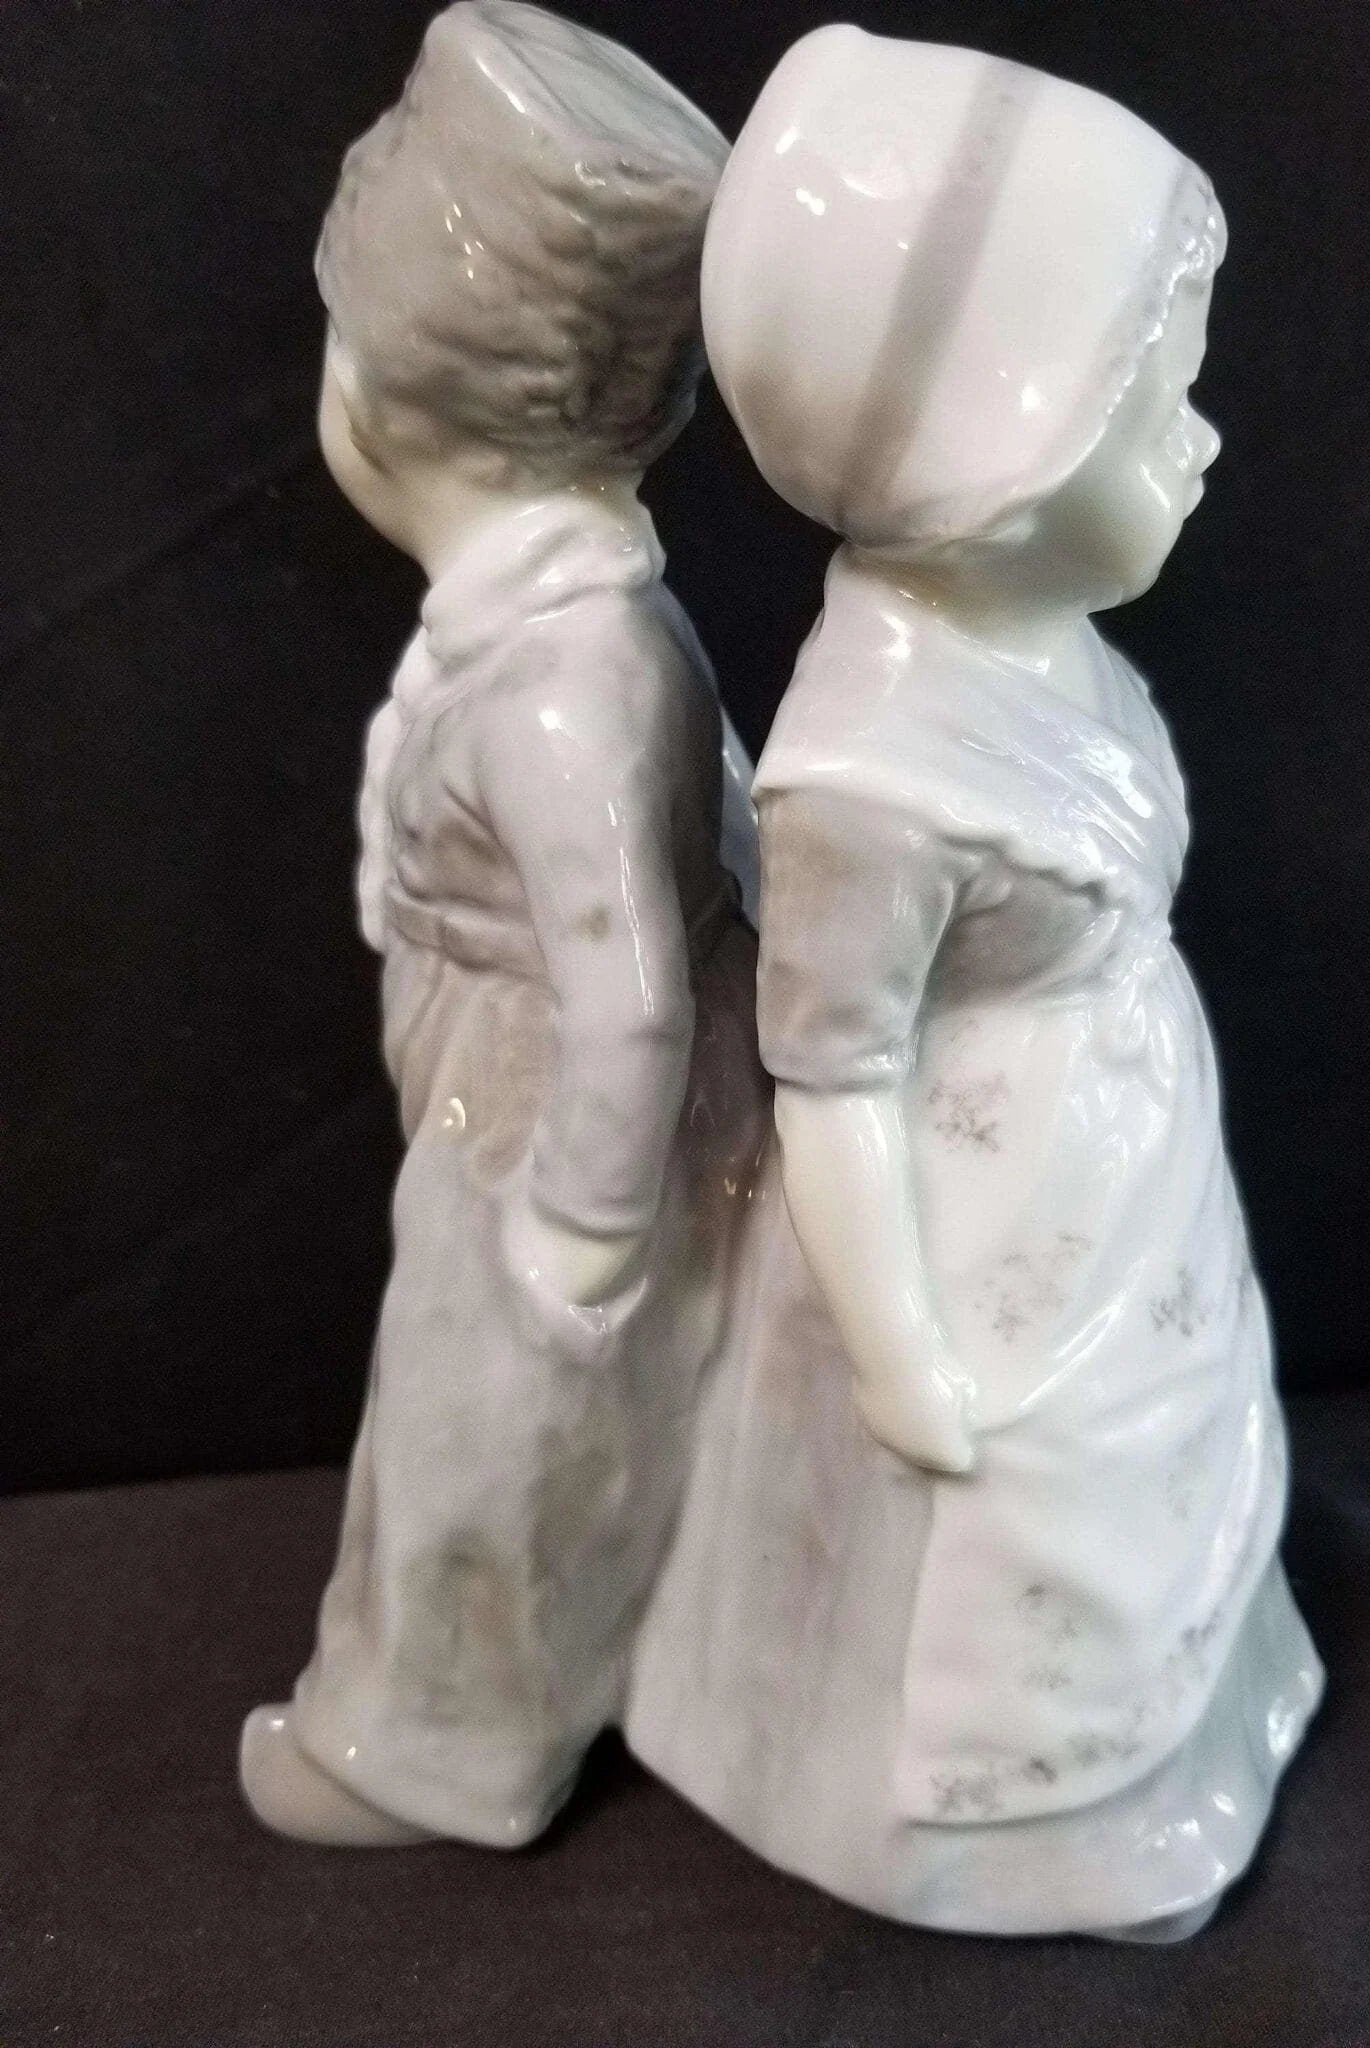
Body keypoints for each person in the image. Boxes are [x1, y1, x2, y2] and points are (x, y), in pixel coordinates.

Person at [626, 25, 1323, 1938]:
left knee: (1152, 1466)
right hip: (973, 1220)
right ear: (989, 467)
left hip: (1118, 1179)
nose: (1204, 441)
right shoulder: (869, 775)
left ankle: (1171, 1752)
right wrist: (901, 1352)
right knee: (1028, 1511)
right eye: (1154, 412)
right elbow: (833, 1074)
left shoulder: (1047, 651)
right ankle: (1039, 1826)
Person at [238, 0, 766, 1849]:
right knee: (550, 1434)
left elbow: (630, 1006)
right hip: (508, 1080)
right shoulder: (555, 624)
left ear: (377, 397)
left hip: (543, 1129)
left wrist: (572, 1237)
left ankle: (430, 1747)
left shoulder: (561, 685)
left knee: (488, 1426)